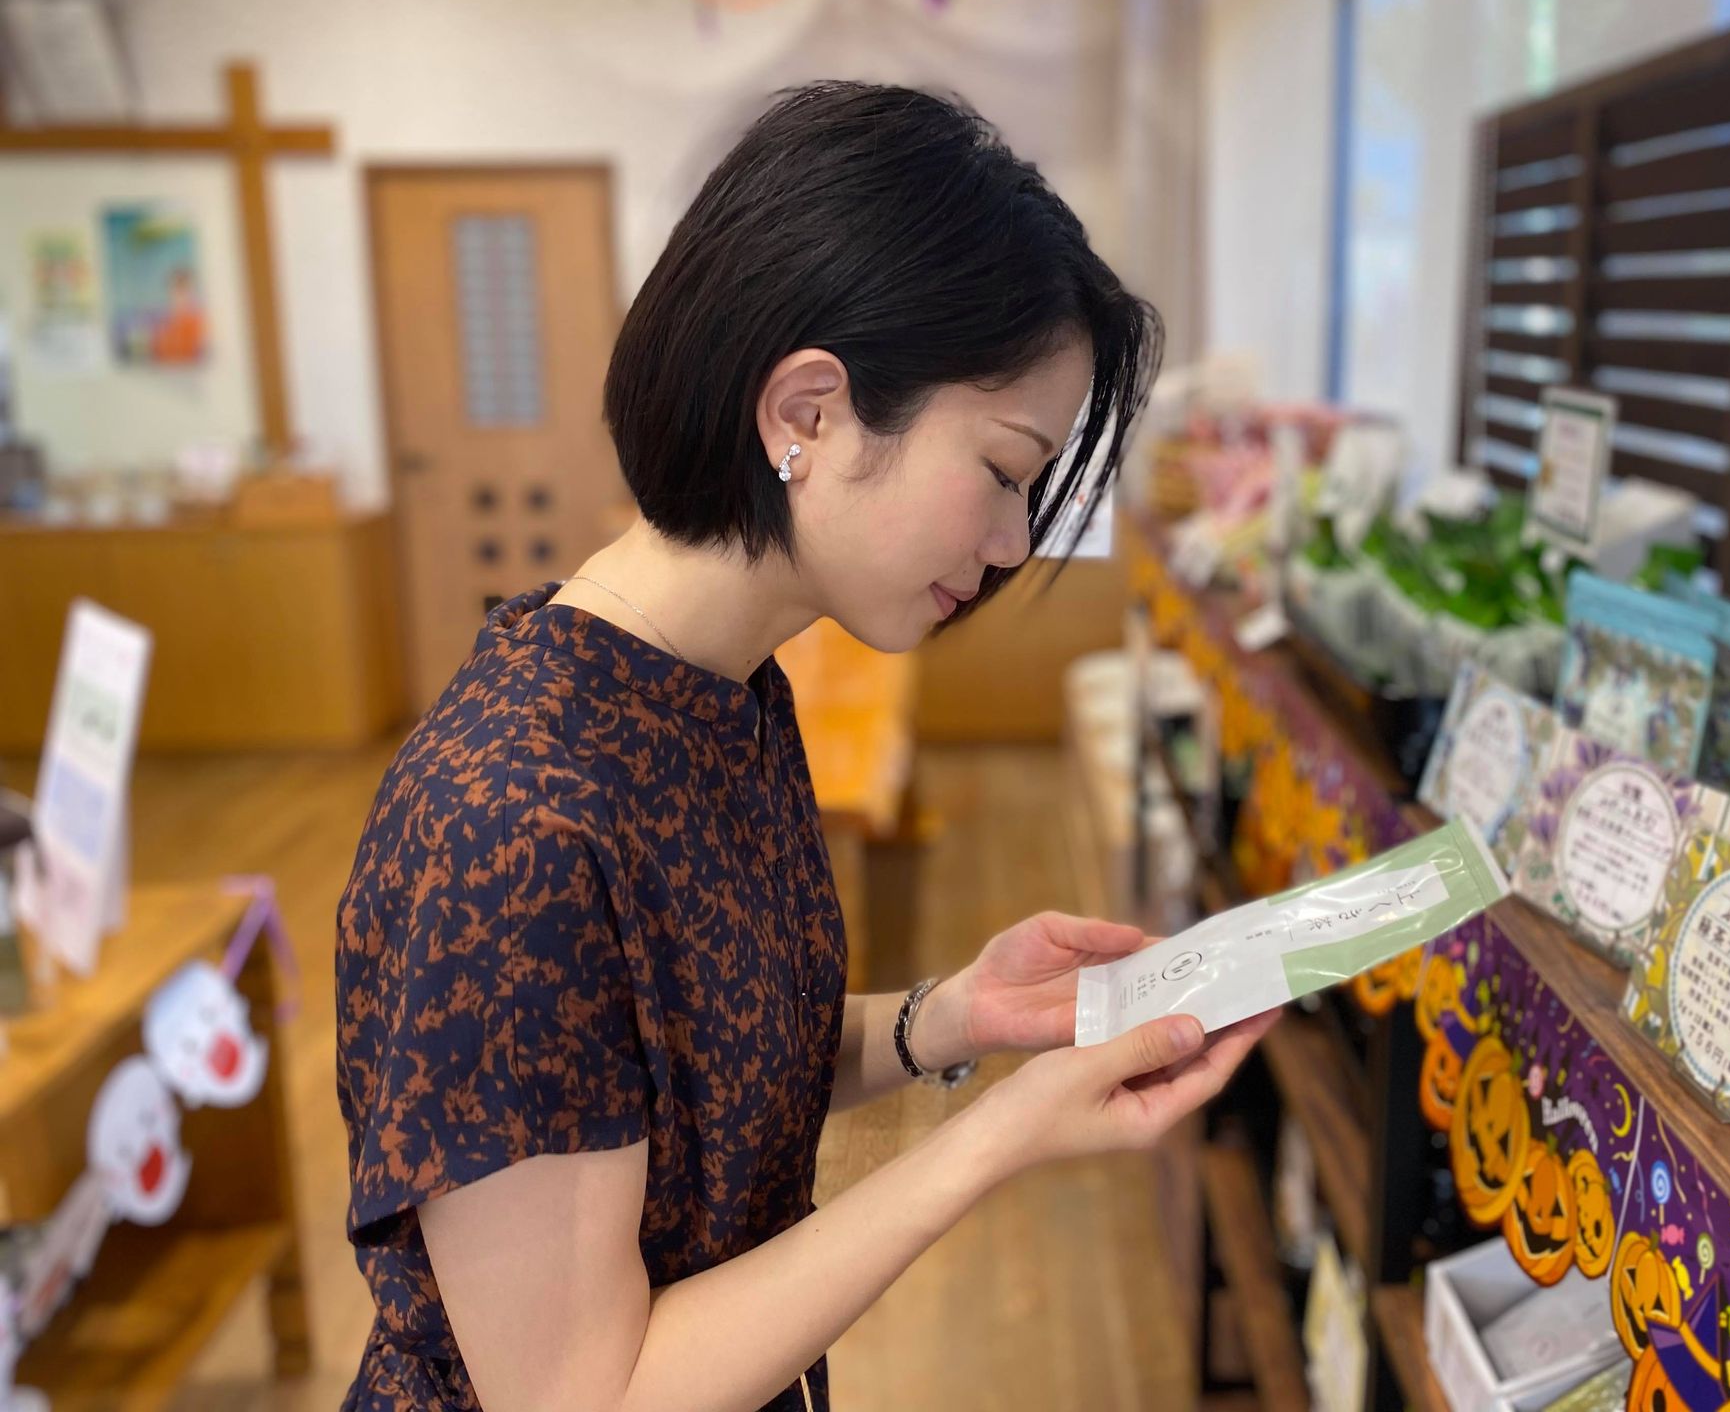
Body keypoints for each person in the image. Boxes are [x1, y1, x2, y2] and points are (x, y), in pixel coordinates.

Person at [335, 81, 1277, 1412]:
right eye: (1004, 471)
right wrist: (992, 1140)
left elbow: (694, 1074)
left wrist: (949, 1019)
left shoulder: (719, 690)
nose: (1014, 541)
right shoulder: (514, 830)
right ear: (808, 413)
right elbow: (584, 1395)